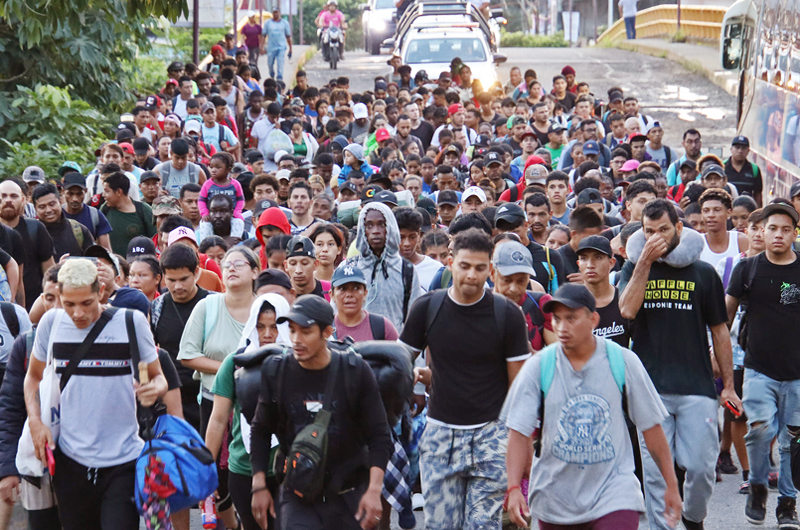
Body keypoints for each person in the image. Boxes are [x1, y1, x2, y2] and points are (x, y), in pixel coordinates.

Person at [503, 283, 682, 530]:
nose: (562, 327)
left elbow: (651, 427)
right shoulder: (539, 367)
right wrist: (513, 488)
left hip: (614, 494)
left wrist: (671, 486)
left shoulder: (622, 361)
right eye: (556, 319)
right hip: (554, 498)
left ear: (593, 319)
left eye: (572, 318)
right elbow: (518, 430)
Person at [618, 199, 741, 530]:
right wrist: (644, 260)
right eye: (648, 232)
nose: (656, 237)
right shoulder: (634, 268)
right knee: (657, 476)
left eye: (663, 230)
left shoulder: (703, 273)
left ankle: (693, 517)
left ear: (679, 229)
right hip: (650, 389)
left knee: (700, 467)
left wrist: (728, 385)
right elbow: (627, 311)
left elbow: (720, 331)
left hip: (696, 386)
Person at [400, 228, 530, 529]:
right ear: (450, 262)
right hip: (441, 437)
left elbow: (520, 391)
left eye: (480, 268)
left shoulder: (507, 315)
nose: (472, 275)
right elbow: (398, 362)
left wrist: (521, 451)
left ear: (491, 270)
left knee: (483, 526)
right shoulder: (427, 308)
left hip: (491, 437)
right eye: (465, 266)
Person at [24, 258, 167, 530]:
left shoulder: (131, 322)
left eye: (86, 303)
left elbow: (158, 377)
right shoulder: (50, 324)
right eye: (69, 304)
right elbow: (33, 377)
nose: (78, 313)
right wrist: (34, 420)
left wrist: (153, 389)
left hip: (123, 460)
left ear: (101, 291)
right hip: (70, 462)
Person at [249, 295, 393, 530]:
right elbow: (261, 429)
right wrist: (259, 485)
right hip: (297, 493)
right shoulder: (276, 372)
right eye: (292, 331)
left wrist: (374, 490)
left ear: (327, 332)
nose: (296, 340)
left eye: (305, 332)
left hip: (349, 493)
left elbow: (379, 435)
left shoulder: (355, 372)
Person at [726, 202, 800, 528]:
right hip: (758, 368)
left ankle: (787, 504)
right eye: (773, 228)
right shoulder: (747, 269)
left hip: (797, 374)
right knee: (759, 431)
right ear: (762, 231)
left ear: (794, 233)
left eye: (786, 229)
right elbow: (724, 316)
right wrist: (715, 353)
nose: (779, 235)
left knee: (790, 442)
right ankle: (757, 485)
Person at [178, 246, 259, 530]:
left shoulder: (266, 308)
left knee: (255, 475)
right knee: (219, 479)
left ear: (255, 271)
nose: (232, 268)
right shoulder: (208, 306)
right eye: (226, 265)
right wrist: (229, 368)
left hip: (256, 405)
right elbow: (187, 355)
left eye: (239, 263)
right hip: (214, 403)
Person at [206, 293, 290, 530]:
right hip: (244, 469)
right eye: (260, 326)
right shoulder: (235, 363)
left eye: (274, 327)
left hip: (290, 470)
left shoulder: (299, 362)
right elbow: (218, 419)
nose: (267, 334)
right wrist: (206, 468)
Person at [0, 265, 60, 530]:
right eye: (48, 297)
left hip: (88, 464)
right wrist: (7, 469)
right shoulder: (27, 344)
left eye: (63, 297)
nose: (56, 305)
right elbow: (11, 409)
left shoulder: (104, 337)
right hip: (38, 465)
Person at [151, 243, 209, 431]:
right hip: (171, 400)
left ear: (197, 273)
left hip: (208, 397)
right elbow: (148, 354)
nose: (178, 286)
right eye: (171, 280)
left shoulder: (214, 304)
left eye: (184, 279)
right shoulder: (155, 309)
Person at [344, 202, 421, 332]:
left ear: (390, 227)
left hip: (394, 348)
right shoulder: (349, 268)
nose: (375, 231)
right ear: (363, 230)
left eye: (382, 224)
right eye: (369, 225)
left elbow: (415, 319)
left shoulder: (406, 270)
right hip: (355, 348)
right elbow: (336, 314)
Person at [491, 239, 556, 350]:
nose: (513, 289)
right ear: (492, 274)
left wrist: (530, 354)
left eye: (521, 281)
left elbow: (557, 355)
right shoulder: (480, 305)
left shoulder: (541, 305)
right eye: (507, 280)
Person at [0, 179, 54, 310]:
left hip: (31, 308)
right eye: (3, 196)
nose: (8, 200)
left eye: (14, 196)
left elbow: (48, 272)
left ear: (24, 200)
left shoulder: (35, 229)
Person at [578, 235, 632, 347]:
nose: (590, 265)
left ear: (611, 263)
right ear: (578, 264)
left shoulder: (624, 300)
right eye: (584, 258)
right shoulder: (571, 303)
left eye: (598, 258)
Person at [331, 265, 399, 342]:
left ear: (365, 293)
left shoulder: (382, 326)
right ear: (332, 295)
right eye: (342, 289)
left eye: (356, 288)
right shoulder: (325, 328)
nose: (349, 294)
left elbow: (401, 352)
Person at [33, 183, 95, 261]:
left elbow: (93, 263)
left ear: (61, 201)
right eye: (42, 207)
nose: (48, 210)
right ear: (35, 209)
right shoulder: (31, 234)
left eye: (52, 204)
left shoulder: (78, 230)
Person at [100, 172, 156, 256]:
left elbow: (155, 239)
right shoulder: (105, 210)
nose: (103, 195)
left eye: (107, 191)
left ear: (119, 192)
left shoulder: (143, 210)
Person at [61, 172, 113, 251]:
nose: (75, 199)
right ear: (63, 191)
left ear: (85, 191)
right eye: (70, 194)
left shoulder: (95, 215)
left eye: (79, 194)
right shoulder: (57, 215)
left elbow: (106, 251)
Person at [395, 207, 441, 293]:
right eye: (401, 237)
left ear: (419, 234)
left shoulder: (436, 269)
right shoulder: (385, 269)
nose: (407, 243)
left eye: (412, 237)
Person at [698, 188, 748, 267]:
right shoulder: (697, 242)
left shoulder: (741, 240)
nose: (711, 215)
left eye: (717, 210)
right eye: (706, 211)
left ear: (728, 213)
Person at [724, 136, 763, 206]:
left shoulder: (754, 169)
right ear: (731, 149)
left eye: (743, 148)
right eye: (737, 147)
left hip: (747, 209)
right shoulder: (722, 167)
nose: (740, 151)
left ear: (748, 151)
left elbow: (758, 194)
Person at [261, 7, 293, 81]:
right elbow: (263, 35)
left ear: (279, 13)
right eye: (274, 12)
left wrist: (290, 49)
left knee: (280, 63)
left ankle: (279, 78)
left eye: (277, 12)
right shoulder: (268, 23)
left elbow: (288, 36)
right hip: (271, 48)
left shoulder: (284, 23)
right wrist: (261, 47)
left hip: (281, 47)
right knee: (270, 64)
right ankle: (272, 74)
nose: (275, 14)